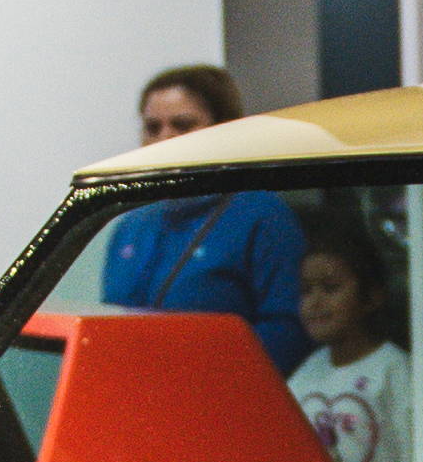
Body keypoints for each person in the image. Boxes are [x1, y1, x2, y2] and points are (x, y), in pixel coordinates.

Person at [96, 63, 305, 368]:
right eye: (152, 128)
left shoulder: (263, 216)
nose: (164, 139)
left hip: (223, 389)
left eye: (182, 125)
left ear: (225, 130)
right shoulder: (131, 224)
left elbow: (288, 332)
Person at [285, 204, 412, 462]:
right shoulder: (304, 377)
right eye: (306, 290)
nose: (315, 302)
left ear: (371, 296)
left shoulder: (394, 371)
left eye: (330, 288)